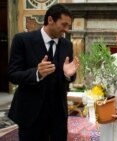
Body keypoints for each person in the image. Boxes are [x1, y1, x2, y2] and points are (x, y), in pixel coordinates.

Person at [8, 4, 79, 141]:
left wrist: (68, 75)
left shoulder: (66, 45)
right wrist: (37, 73)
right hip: (31, 113)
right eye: (64, 24)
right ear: (50, 20)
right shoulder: (22, 40)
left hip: (58, 115)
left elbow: (69, 76)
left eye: (68, 26)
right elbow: (13, 74)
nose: (66, 30)